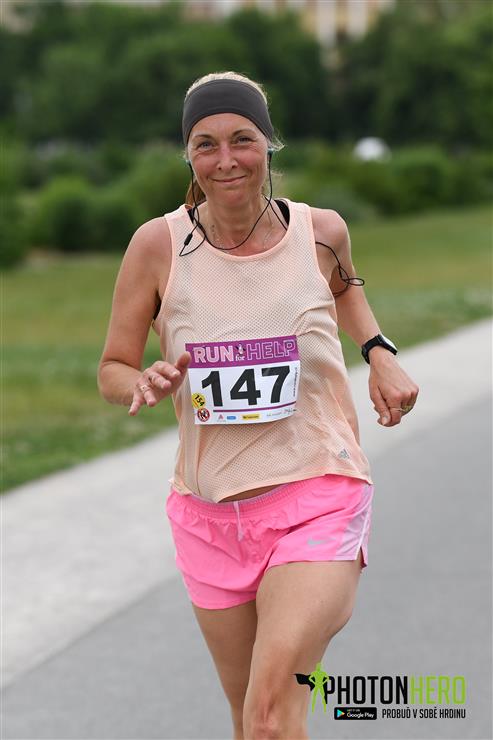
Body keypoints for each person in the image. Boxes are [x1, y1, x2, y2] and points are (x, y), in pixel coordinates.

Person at [97, 71, 419, 740]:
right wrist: (142, 382)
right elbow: (112, 368)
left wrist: (379, 352)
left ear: (268, 144)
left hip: (317, 495)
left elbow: (345, 288)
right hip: (209, 514)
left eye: (242, 139)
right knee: (250, 722)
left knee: (269, 716)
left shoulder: (320, 231)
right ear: (188, 156)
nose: (226, 160)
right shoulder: (157, 246)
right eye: (206, 144)